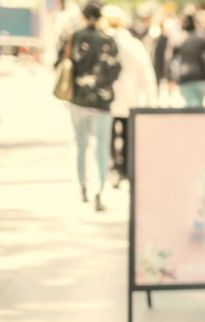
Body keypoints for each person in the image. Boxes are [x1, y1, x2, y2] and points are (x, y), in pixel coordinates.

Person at [63, 0, 122, 211]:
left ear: (84, 16)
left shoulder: (76, 37)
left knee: (81, 145)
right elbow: (115, 71)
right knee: (101, 148)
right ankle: (99, 190)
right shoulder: (108, 41)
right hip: (101, 101)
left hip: (78, 99)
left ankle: (82, 187)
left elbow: (66, 63)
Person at [102, 5, 157, 188]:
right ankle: (124, 168)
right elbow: (146, 71)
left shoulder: (104, 41)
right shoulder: (133, 43)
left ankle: (113, 169)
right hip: (130, 97)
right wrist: (151, 100)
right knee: (127, 134)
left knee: (109, 135)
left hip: (108, 98)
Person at [172, 15, 205, 108]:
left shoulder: (179, 40)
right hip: (200, 75)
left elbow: (172, 59)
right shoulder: (200, 39)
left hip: (185, 75)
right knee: (198, 105)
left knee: (189, 105)